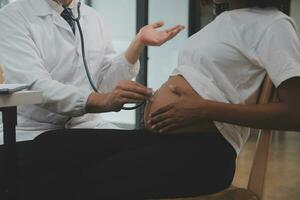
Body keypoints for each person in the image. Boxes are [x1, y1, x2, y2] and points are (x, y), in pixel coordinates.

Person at [1, 0, 300, 199]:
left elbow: (295, 113)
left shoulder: (273, 24)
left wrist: (200, 107)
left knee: (85, 178)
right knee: (51, 146)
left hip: (207, 152)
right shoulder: (223, 22)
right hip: (161, 139)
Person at [0, 0, 184, 144]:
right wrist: (102, 101)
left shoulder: (93, 17)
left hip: (87, 126)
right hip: (33, 131)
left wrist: (138, 44)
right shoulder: (11, 17)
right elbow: (35, 86)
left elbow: (103, 84)